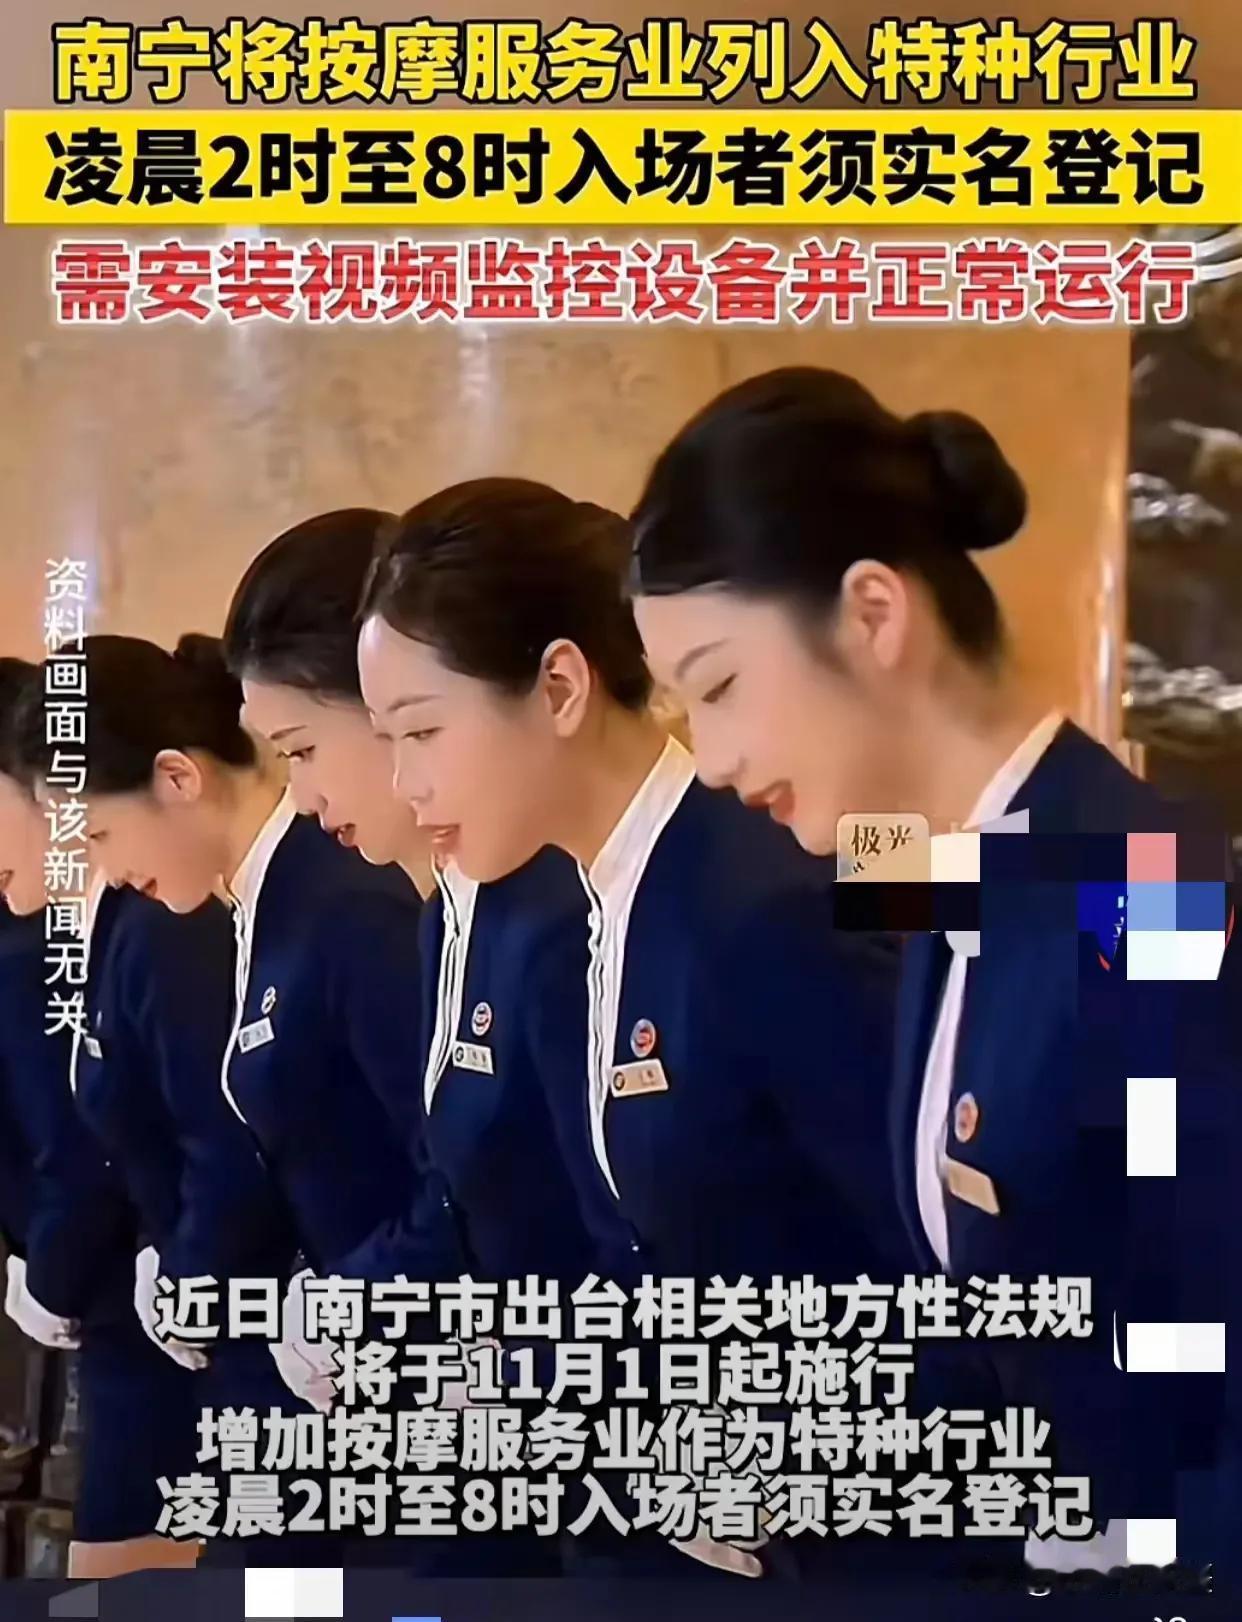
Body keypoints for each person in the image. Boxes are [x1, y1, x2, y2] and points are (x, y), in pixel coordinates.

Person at [628, 364, 1239, 1581]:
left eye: (723, 686)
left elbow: (1208, 1340)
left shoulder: (1145, 892)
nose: (715, 758)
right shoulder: (937, 864)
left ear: (872, 613)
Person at [357, 477, 912, 1579]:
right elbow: (636, 1249)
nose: (403, 784)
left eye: (421, 731)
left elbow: (925, 1255)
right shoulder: (586, 901)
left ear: (561, 686)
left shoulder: (757, 896)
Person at [225, 506, 611, 1577]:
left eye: (418, 733)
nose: (308, 800)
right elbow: (461, 1180)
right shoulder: (457, 900)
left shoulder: (577, 899)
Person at [0, 656, 200, 1579]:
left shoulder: (133, 924)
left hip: (159, 1315)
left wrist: (49, 1278)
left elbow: (90, 1152)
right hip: (129, 1315)